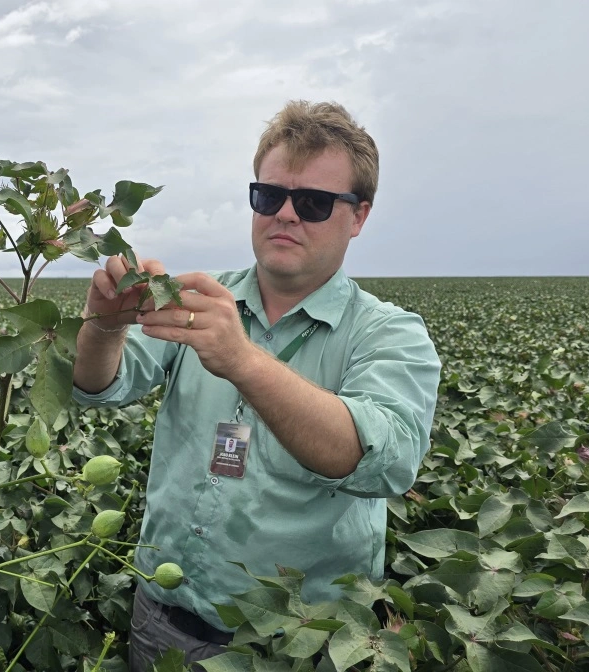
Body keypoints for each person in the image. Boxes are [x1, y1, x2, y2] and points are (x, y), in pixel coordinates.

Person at [72, 100, 441, 670]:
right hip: (160, 620)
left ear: (359, 216)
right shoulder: (196, 298)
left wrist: (244, 360)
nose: (286, 215)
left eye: (314, 202)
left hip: (295, 648)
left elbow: (383, 460)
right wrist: (105, 324)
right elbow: (102, 385)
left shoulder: (390, 334)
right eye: (269, 196)